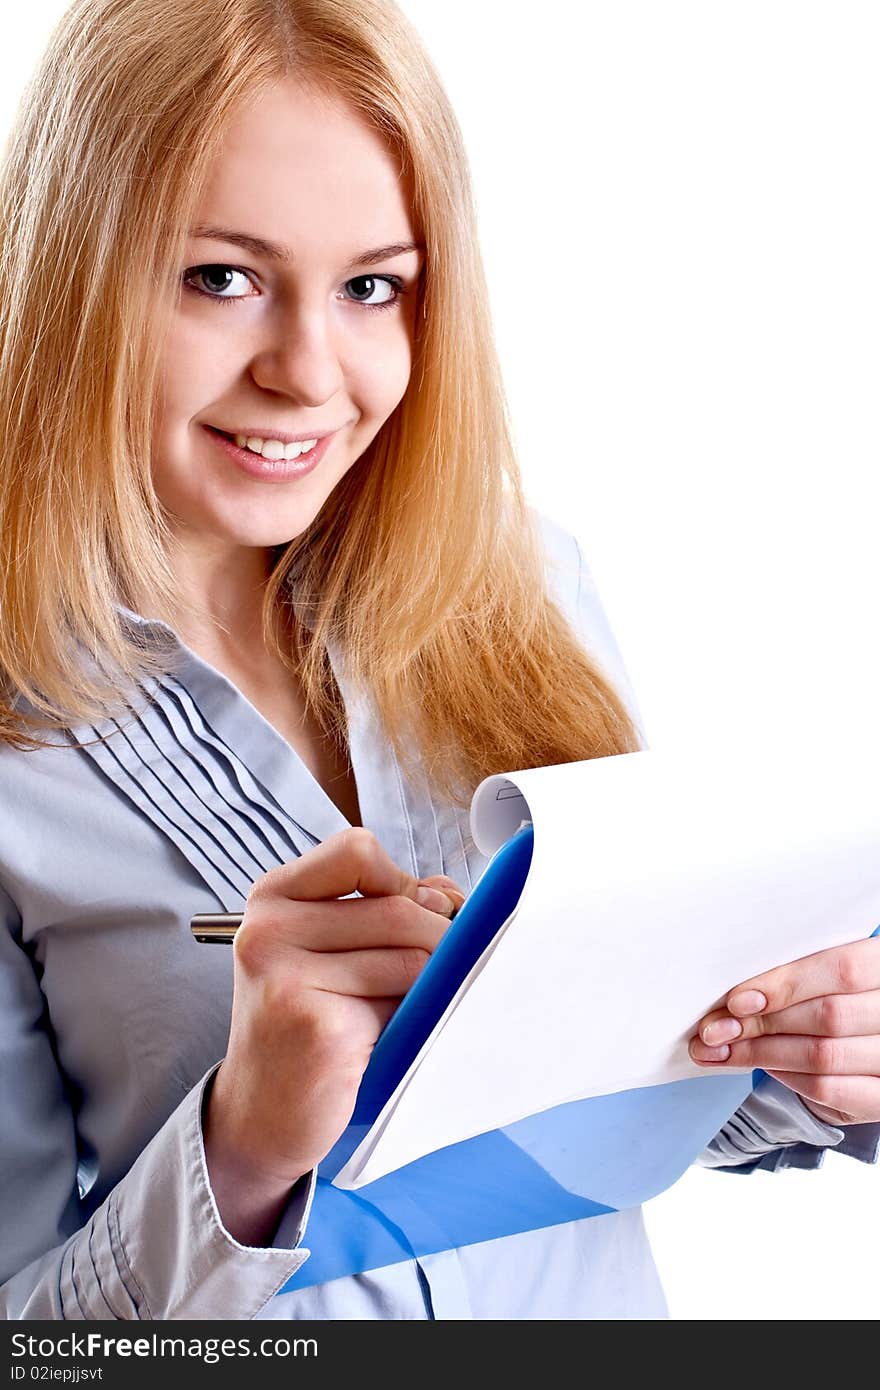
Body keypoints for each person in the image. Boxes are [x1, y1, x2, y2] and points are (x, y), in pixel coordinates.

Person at [0, 0, 877, 1322]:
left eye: (373, 288)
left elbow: (607, 1140)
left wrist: (804, 1053)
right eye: (220, 277)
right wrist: (240, 1150)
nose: (309, 372)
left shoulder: (525, 586)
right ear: (73, 267)